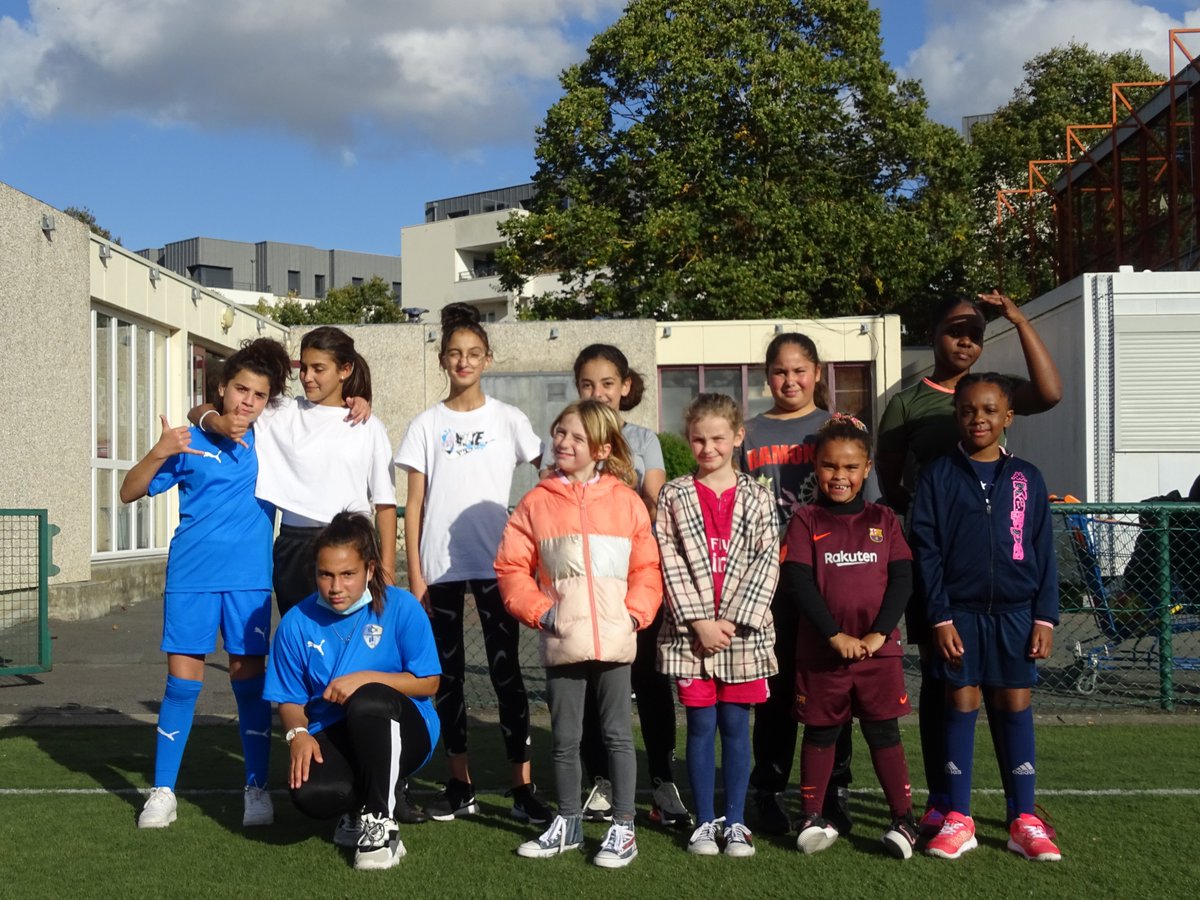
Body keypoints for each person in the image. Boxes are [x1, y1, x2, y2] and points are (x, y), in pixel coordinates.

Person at [876, 291, 1061, 836]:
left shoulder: (997, 389)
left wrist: (1018, 319)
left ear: (1004, 414)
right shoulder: (907, 403)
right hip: (945, 571)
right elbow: (892, 481)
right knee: (945, 685)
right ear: (933, 333)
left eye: (975, 333)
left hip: (1001, 582)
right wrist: (935, 518)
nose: (965, 341)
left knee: (1007, 689)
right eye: (955, 330)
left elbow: (1051, 392)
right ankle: (945, 801)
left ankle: (1020, 807)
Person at [121, 338, 290, 830]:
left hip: (249, 584)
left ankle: (256, 788)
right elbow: (129, 490)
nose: (247, 401)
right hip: (190, 578)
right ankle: (163, 791)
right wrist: (160, 449)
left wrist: (357, 397)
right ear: (222, 388)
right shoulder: (190, 440)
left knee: (249, 683)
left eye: (258, 395)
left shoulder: (271, 440)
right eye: (241, 389)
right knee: (181, 684)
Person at [394, 302, 550, 824]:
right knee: (449, 679)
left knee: (508, 677)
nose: (464, 361)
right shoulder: (425, 424)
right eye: (455, 353)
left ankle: (523, 787)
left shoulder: (509, 418)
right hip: (439, 570)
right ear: (443, 359)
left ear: (487, 359)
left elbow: (549, 471)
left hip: (498, 568)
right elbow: (414, 503)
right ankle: (460, 785)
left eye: (474, 353)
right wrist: (416, 575)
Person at [495, 400, 662, 868]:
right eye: (559, 432)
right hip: (563, 638)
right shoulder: (536, 502)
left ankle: (623, 827)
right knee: (565, 738)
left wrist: (634, 615)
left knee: (617, 736)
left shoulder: (626, 501)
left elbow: (647, 567)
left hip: (615, 640)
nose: (563, 442)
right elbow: (511, 567)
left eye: (576, 437)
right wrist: (543, 613)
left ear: (603, 449)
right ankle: (568, 822)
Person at [909, 374, 1062, 862]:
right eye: (969, 410)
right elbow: (926, 552)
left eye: (990, 410)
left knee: (1015, 702)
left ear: (1008, 417)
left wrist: (1045, 618)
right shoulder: (938, 475)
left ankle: (1024, 819)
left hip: (1017, 615)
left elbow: (1044, 552)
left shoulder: (1027, 478)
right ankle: (959, 817)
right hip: (960, 615)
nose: (979, 419)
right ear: (956, 415)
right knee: (961, 700)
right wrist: (939, 617)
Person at [738, 332, 867, 835]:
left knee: (833, 688)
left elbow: (866, 509)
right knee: (774, 694)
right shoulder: (747, 433)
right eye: (779, 371)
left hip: (830, 583)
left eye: (799, 370)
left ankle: (835, 788)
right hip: (768, 586)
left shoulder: (837, 428)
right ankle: (768, 790)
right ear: (766, 376)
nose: (789, 381)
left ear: (816, 372)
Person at [264, 513, 441, 871]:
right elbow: (290, 699)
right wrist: (298, 734)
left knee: (368, 700)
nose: (335, 586)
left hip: (406, 730)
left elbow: (428, 683)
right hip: (335, 730)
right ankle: (356, 808)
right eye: (325, 574)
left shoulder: (402, 606)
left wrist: (366, 678)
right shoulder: (296, 623)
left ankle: (381, 824)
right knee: (312, 795)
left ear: (370, 570)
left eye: (347, 574)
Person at [782, 416, 918, 859]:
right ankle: (811, 816)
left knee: (883, 732)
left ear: (867, 468)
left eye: (850, 467)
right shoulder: (806, 520)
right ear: (816, 466)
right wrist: (834, 635)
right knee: (821, 732)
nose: (839, 476)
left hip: (878, 654)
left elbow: (902, 580)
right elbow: (799, 582)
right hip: (823, 654)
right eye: (829, 466)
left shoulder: (884, 519)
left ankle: (904, 820)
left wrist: (878, 634)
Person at [190, 326, 395, 616]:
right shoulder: (279, 411)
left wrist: (387, 570)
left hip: (352, 546)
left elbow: (385, 504)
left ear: (345, 370)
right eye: (304, 367)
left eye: (318, 369)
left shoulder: (368, 426)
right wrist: (216, 421)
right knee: (301, 636)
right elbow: (198, 411)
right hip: (294, 546)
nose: (307, 377)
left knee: (350, 636)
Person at [570, 343, 690, 829]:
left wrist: (627, 484)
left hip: (637, 579)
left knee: (650, 681)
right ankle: (599, 781)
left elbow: (654, 498)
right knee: (593, 680)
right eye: (587, 384)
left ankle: (662, 780)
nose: (597, 392)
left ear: (625, 387)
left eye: (606, 383)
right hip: (586, 584)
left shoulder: (642, 439)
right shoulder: (570, 436)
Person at [656, 394, 780, 858]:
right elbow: (668, 560)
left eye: (718, 439)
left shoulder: (758, 496)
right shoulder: (674, 494)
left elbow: (767, 562)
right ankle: (705, 821)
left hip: (742, 634)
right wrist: (699, 622)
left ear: (738, 437)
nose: (708, 448)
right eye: (698, 439)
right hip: (691, 637)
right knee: (701, 725)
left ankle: (737, 821)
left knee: (735, 724)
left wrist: (729, 621)